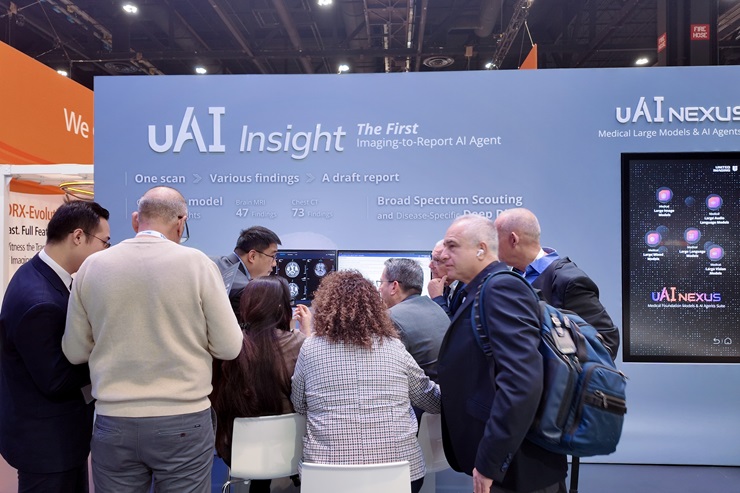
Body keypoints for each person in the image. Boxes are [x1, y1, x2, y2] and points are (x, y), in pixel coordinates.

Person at [61, 186, 243, 493]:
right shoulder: (198, 264)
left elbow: (75, 351)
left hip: (114, 420)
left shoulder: (93, 266)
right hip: (183, 420)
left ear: (136, 220)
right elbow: (229, 346)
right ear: (181, 223)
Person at [436, 214, 567, 493]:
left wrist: (490, 462)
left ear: (481, 249)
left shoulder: (500, 288)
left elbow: (521, 382)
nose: (443, 254)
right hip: (507, 464)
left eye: (452, 245)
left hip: (519, 467)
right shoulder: (478, 290)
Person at [291, 270, 440, 493]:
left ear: (324, 306)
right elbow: (430, 399)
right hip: (399, 476)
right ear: (374, 307)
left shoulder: (310, 348)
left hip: (327, 476)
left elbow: (299, 405)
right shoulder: (394, 347)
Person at [0, 200, 110, 493]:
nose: (106, 252)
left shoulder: (40, 275)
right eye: (104, 242)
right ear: (78, 237)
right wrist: (106, 358)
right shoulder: (40, 301)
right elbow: (56, 380)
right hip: (47, 445)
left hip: (57, 437)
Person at [211, 276, 311, 493]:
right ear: (281, 307)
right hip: (289, 452)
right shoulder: (299, 343)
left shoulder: (231, 344)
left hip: (236, 451)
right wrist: (308, 334)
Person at [494, 208, 620, 358]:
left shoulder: (569, 281)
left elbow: (607, 342)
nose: (492, 245)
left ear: (513, 239)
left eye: (495, 239)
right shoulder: (511, 278)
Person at [378, 258, 449, 381]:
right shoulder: (437, 309)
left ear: (394, 286)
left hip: (423, 390)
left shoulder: (391, 318)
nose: (379, 289)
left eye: (381, 283)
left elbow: (385, 370)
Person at [212, 226, 282, 320]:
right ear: (252, 256)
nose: (274, 264)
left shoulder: (209, 262)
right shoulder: (243, 290)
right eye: (272, 256)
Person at [428, 239, 465, 318]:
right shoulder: (446, 285)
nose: (430, 265)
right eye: (432, 259)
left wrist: (437, 298)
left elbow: (450, 325)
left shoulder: (466, 290)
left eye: (437, 260)